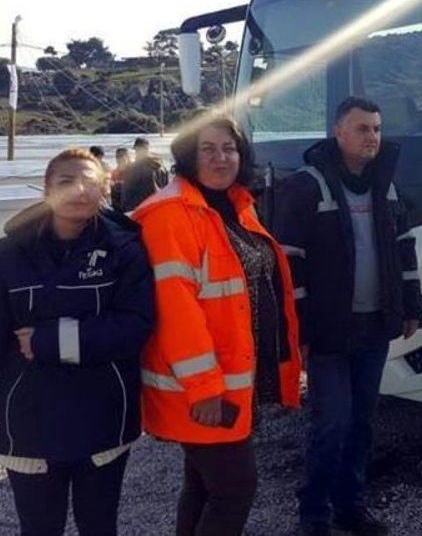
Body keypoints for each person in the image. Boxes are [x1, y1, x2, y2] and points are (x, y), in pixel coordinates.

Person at [0, 147, 154, 536]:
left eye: (90, 182)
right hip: (29, 422)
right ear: (46, 190)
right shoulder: (2, 258)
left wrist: (51, 341)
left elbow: (135, 325)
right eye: (66, 181)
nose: (79, 190)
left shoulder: (124, 250)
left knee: (100, 525)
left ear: (104, 190)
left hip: (104, 416)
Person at [132, 115, 303, 536]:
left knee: (203, 485)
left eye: (229, 149)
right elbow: (176, 311)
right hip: (204, 387)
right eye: (207, 149)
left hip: (230, 377)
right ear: (187, 156)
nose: (220, 158)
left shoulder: (233, 205)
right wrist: (204, 388)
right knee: (234, 488)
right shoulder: (171, 214)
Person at [272, 97, 422, 536]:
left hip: (374, 326)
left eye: (376, 128)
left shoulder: (385, 184)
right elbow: (289, 263)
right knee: (331, 424)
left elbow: (404, 248)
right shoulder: (308, 185)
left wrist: (411, 305)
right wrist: (300, 328)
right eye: (361, 128)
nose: (372, 137)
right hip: (330, 332)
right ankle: (314, 515)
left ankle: (350, 507)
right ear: (338, 132)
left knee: (361, 423)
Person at [121, 136, 169, 212]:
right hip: (158, 208)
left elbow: (126, 193)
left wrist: (125, 209)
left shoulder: (134, 168)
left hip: (139, 210)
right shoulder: (161, 166)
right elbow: (167, 189)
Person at [111, 147, 132, 211]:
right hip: (117, 207)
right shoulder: (113, 173)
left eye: (121, 156)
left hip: (131, 206)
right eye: (117, 157)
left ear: (128, 157)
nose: (118, 159)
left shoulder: (135, 171)